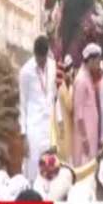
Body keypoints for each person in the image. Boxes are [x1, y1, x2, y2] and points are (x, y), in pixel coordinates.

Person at [19, 35, 57, 183]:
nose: (41, 62)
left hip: (49, 126)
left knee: (50, 168)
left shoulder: (53, 66)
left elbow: (55, 95)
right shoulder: (25, 72)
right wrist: (23, 135)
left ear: (47, 53)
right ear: (34, 54)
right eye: (39, 59)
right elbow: (22, 103)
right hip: (33, 128)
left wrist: (58, 122)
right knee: (33, 167)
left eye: (43, 59)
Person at [72, 43, 103, 166]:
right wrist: (84, 139)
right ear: (90, 60)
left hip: (90, 136)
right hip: (84, 140)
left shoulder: (87, 77)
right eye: (97, 60)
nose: (98, 64)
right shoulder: (81, 80)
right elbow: (78, 114)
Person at [55, 55, 74, 164]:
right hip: (63, 127)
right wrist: (72, 85)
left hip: (64, 126)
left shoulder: (61, 85)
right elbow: (70, 106)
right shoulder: (62, 86)